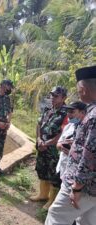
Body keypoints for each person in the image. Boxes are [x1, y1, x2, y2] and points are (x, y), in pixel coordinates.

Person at [45, 65, 96, 225]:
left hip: (84, 185)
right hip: (91, 186)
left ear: (84, 89)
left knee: (56, 216)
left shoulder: (93, 116)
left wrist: (77, 187)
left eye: (78, 89)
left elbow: (91, 156)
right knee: (88, 220)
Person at [29, 86, 68, 210]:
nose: (53, 98)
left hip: (53, 150)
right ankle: (43, 195)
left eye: (56, 96)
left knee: (53, 175)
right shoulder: (48, 109)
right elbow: (39, 124)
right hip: (42, 147)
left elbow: (63, 133)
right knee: (42, 169)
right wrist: (39, 139)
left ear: (63, 98)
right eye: (52, 95)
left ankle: (52, 201)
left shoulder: (66, 113)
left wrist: (47, 143)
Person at [56, 101, 86, 178]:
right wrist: (61, 146)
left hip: (76, 173)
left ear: (82, 112)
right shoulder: (69, 126)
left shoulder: (88, 130)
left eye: (72, 112)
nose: (68, 114)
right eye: (68, 111)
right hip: (62, 167)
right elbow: (58, 144)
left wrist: (74, 150)